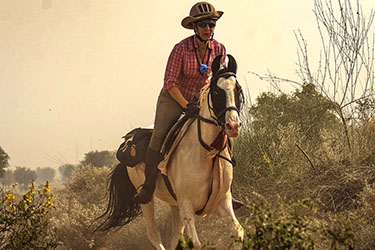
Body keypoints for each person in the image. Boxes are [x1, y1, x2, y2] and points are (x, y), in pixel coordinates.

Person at [134, 2, 226, 204]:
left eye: (211, 25)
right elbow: (170, 82)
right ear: (194, 27)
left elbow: (219, 79)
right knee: (158, 137)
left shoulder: (219, 49)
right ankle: (148, 188)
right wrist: (185, 105)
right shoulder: (181, 49)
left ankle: (226, 191)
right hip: (174, 98)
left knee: (225, 132)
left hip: (201, 99)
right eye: (203, 25)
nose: (208, 29)